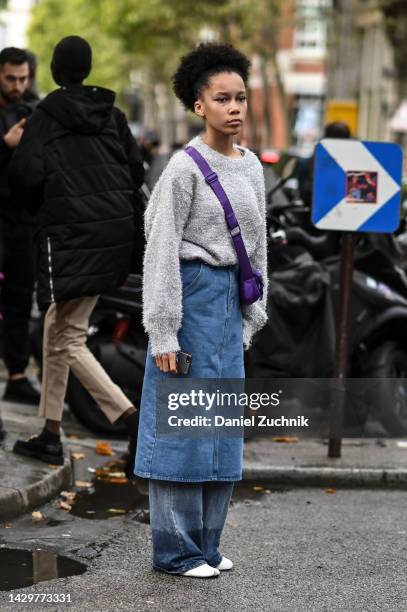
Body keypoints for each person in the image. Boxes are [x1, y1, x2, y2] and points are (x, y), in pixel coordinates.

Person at [134, 43, 268, 577]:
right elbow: (161, 247)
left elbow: (257, 249)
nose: (234, 107)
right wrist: (164, 333)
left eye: (240, 97)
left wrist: (253, 313)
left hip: (229, 305)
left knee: (220, 430)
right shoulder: (183, 169)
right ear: (199, 106)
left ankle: (207, 546)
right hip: (188, 299)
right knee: (181, 433)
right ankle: (175, 551)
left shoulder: (253, 165)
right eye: (222, 98)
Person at [9, 36, 144, 475]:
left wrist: (44, 211)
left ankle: (131, 418)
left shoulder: (45, 115)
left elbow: (25, 176)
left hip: (69, 238)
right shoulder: (112, 114)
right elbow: (135, 169)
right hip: (111, 236)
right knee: (56, 327)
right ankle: (50, 433)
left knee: (68, 337)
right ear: (86, 69)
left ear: (52, 68)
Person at [0, 47, 40, 407]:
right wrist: (5, 145)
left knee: (19, 300)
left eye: (22, 78)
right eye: (10, 78)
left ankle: (16, 374)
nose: (17, 85)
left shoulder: (33, 111)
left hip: (24, 221)